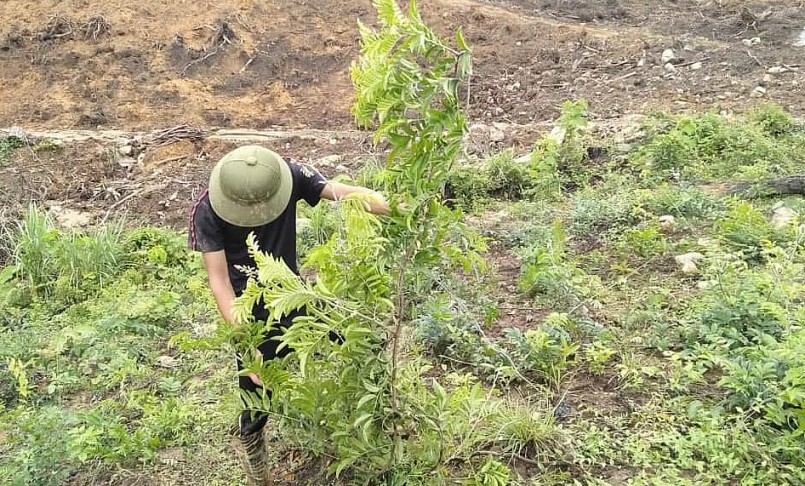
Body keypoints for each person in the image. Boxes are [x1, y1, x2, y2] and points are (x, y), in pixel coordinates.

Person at [188, 145, 389, 485]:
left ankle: (378, 422)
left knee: (358, 341)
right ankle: (258, 468)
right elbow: (219, 282)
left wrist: (387, 205)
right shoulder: (208, 209)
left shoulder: (287, 175)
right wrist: (246, 343)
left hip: (296, 294)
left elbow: (340, 192)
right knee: (256, 395)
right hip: (249, 309)